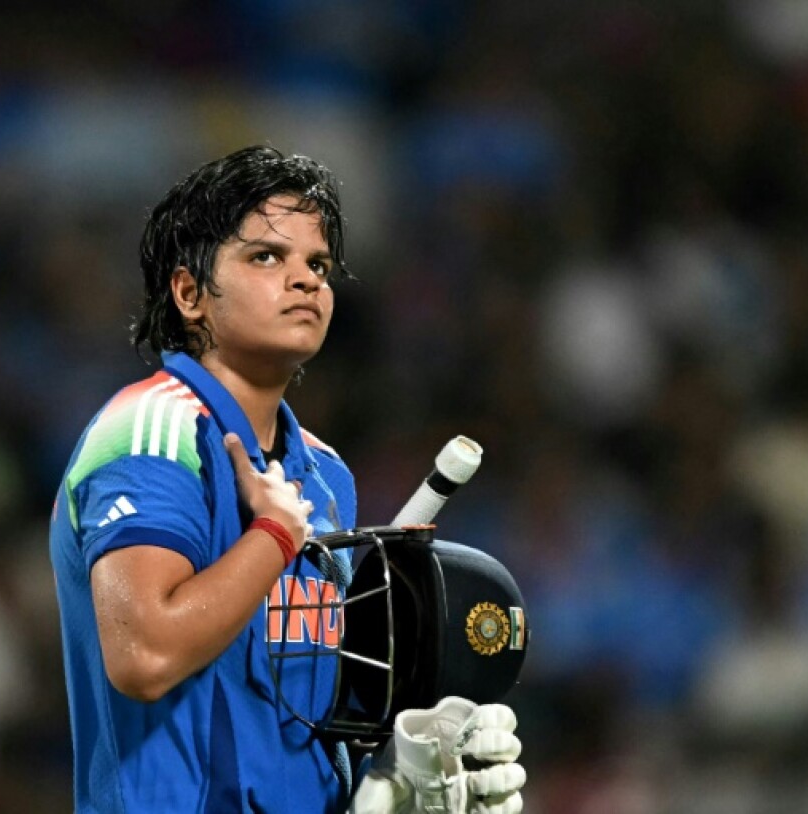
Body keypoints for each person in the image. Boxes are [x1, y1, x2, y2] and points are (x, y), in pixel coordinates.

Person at [49, 145, 526, 813]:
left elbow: (302, 717)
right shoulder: (150, 434)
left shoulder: (325, 474)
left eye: (318, 265)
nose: (306, 280)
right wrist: (273, 533)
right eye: (266, 256)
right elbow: (144, 656)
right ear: (190, 293)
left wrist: (397, 783)